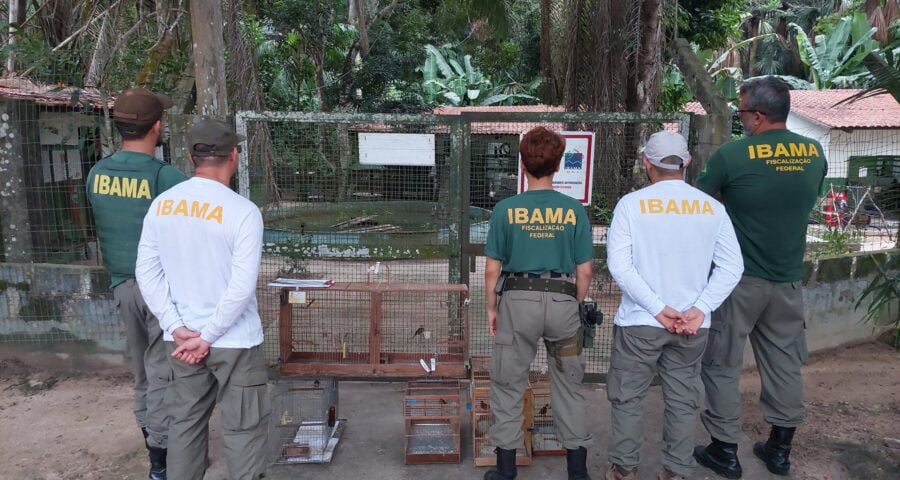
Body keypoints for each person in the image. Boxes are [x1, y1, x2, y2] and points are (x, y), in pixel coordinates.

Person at [693, 76, 827, 478]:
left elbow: (702, 207)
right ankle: (780, 451)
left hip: (737, 282)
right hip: (787, 281)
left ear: (759, 115)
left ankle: (724, 450)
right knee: (784, 362)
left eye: (743, 112)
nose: (740, 118)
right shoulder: (815, 152)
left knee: (721, 363)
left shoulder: (732, 156)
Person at [135, 118, 270, 480]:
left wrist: (177, 328)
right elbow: (241, 287)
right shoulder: (243, 212)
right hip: (235, 342)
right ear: (234, 155)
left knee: (186, 424)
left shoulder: (162, 205)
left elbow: (147, 273)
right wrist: (208, 336)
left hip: (181, 343)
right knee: (244, 428)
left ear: (191, 156)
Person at [604, 131, 743, 480]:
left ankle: (624, 470)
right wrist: (700, 309)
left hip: (640, 321)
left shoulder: (630, 205)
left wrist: (655, 307)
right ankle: (676, 471)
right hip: (692, 326)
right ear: (687, 163)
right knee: (683, 399)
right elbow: (732, 267)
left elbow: (620, 266)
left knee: (628, 397)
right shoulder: (713, 208)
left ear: (646, 163)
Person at [85, 87, 187, 480]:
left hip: (121, 287)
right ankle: (160, 459)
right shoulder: (167, 177)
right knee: (163, 371)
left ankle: (150, 436)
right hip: (161, 289)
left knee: (143, 370)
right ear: (156, 127)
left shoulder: (97, 174)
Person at [483, 126, 594, 480]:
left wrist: (491, 308)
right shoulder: (573, 210)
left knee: (508, 384)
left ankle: (505, 471)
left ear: (522, 163)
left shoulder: (506, 209)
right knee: (569, 386)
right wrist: (574, 305)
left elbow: (491, 269)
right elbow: (585, 271)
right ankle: (577, 472)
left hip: (517, 303)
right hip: (563, 303)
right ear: (559, 165)